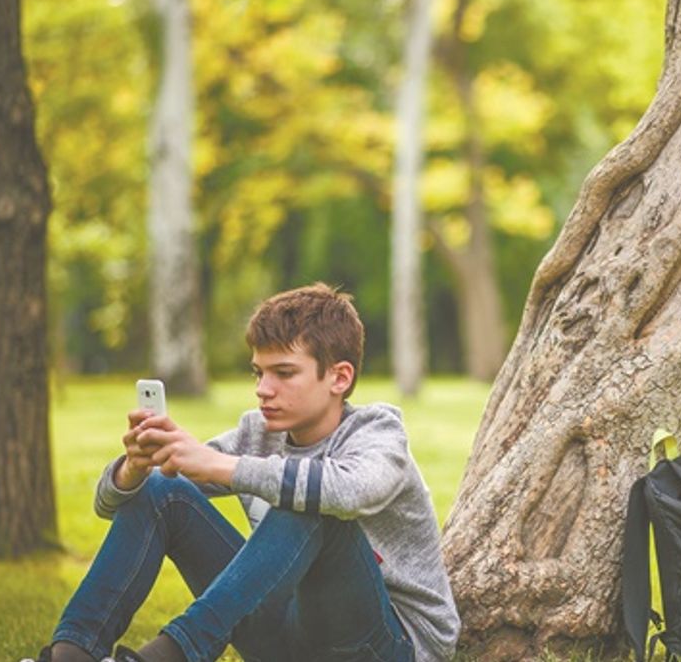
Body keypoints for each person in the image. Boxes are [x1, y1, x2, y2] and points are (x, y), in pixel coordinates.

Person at [24, 283, 460, 662]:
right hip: (285, 636)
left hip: (385, 646)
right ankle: (71, 653)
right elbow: (110, 504)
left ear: (339, 377)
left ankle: (169, 655)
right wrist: (136, 467)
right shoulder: (260, 433)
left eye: (283, 373)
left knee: (312, 502)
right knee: (163, 490)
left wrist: (220, 465)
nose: (262, 389)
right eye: (259, 372)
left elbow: (349, 491)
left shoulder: (377, 432)